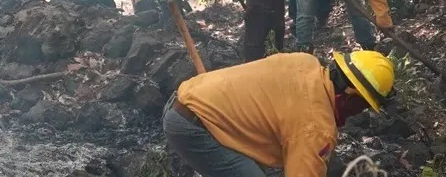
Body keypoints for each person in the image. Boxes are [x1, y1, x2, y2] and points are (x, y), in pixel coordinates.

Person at [163, 49, 395, 176]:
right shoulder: (315, 128)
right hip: (195, 128)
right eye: (364, 106)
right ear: (349, 97)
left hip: (188, 97)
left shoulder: (306, 62)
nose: (360, 113)